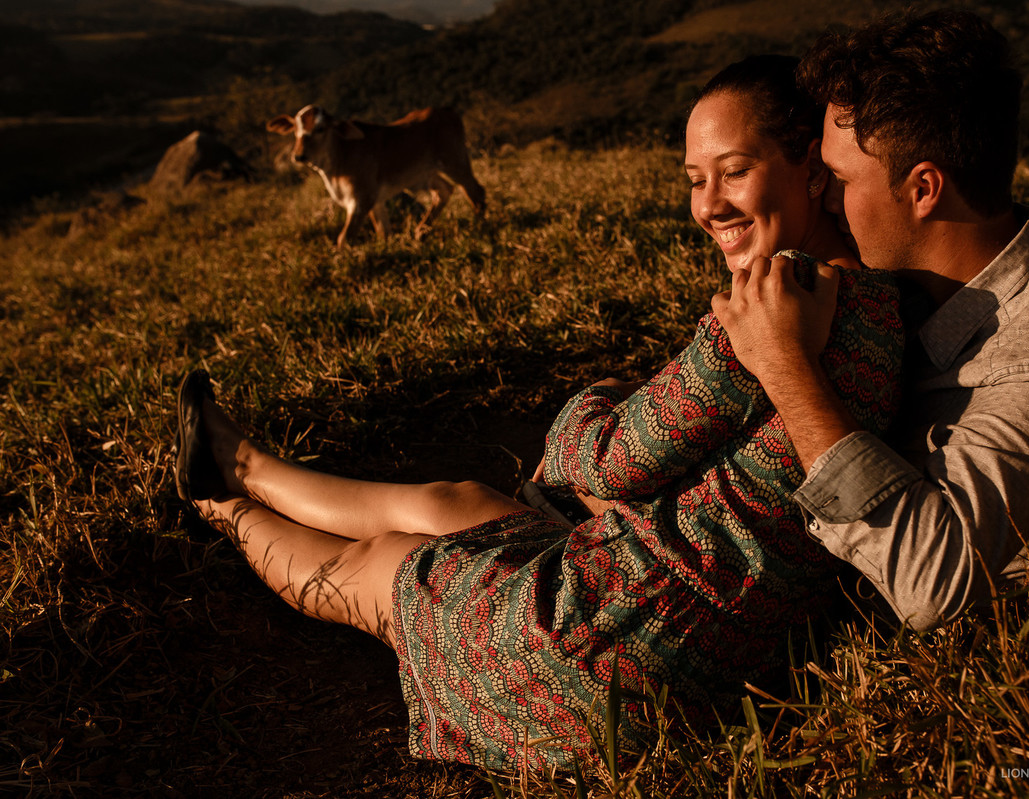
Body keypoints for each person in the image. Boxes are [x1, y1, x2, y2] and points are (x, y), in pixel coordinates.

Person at [173, 56, 904, 770]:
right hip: (710, 641)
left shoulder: (769, 308)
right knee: (454, 502)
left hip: (606, 655)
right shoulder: (881, 304)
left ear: (811, 163)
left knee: (378, 565)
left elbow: (609, 457)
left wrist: (593, 399)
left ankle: (219, 504)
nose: (708, 204)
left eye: (734, 171)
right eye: (695, 180)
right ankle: (241, 459)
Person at [711, 10, 1029, 634]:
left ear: (923, 190)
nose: (820, 196)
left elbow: (933, 582)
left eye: (836, 178)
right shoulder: (916, 281)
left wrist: (785, 366)